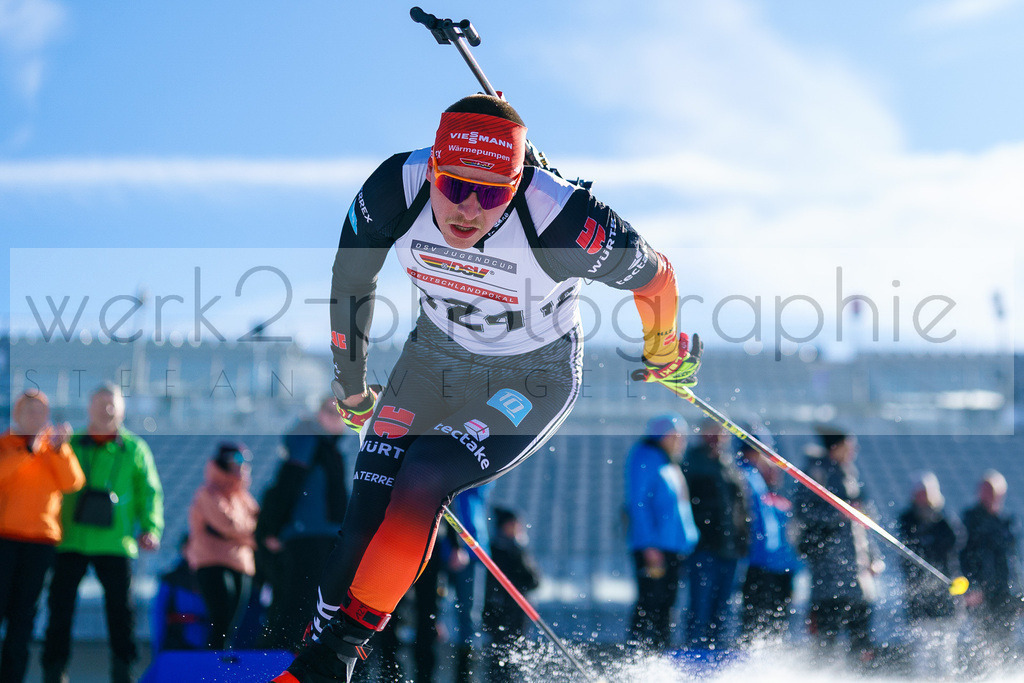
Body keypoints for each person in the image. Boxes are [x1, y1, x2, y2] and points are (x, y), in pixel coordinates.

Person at [273, 93, 702, 683]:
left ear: (518, 180)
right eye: (454, 187)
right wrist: (351, 386)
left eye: (493, 192)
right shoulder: (395, 189)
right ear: (434, 166)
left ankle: (336, 656)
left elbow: (657, 278)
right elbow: (351, 279)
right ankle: (315, 663)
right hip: (433, 361)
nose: (469, 209)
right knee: (363, 519)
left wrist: (662, 352)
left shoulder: (562, 217)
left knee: (425, 472)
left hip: (533, 374)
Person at [41, 383, 164, 683]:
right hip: (71, 539)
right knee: (59, 610)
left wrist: (151, 527)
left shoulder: (135, 448)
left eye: (112, 404)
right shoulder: (70, 442)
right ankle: (54, 672)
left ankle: (124, 674)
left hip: (115, 542)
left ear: (122, 409)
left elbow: (149, 492)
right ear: (89, 407)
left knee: (121, 614)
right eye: (100, 404)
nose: (106, 410)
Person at [0, 391, 84, 683]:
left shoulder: (55, 447)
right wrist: (29, 450)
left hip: (40, 541)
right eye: (30, 412)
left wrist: (60, 450)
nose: (37, 418)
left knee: (24, 615)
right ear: (17, 415)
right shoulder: (6, 444)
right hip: (5, 538)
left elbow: (73, 482)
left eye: (41, 413)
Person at [260, 397, 357, 650]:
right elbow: (288, 481)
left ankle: (300, 661)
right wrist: (272, 527)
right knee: (298, 603)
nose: (336, 417)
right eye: (329, 411)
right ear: (317, 414)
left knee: (316, 605)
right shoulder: (309, 439)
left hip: (324, 535)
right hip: (306, 536)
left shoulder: (330, 447)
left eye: (342, 413)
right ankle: (283, 664)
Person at [793, 427, 883, 667]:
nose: (854, 450)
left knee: (861, 642)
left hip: (858, 576)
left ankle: (859, 675)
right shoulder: (816, 473)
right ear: (836, 447)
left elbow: (862, 525)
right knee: (826, 641)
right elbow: (803, 512)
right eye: (849, 445)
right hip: (828, 576)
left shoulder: (850, 474)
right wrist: (838, 513)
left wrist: (874, 557)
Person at [623, 412, 699, 650]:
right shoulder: (646, 458)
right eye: (677, 436)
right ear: (663, 436)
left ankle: (660, 652)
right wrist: (648, 545)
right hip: (655, 548)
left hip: (671, 546)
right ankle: (640, 654)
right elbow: (638, 503)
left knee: (666, 605)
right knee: (651, 603)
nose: (682, 441)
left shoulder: (667, 462)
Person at [681, 418, 749, 650]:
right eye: (713, 433)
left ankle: (718, 657)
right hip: (703, 547)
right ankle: (695, 655)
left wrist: (743, 538)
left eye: (722, 434)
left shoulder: (728, 464)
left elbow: (740, 505)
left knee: (723, 609)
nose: (718, 438)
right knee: (700, 606)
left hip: (729, 548)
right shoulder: (691, 462)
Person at [186, 442, 260, 650]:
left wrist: (243, 534)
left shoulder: (243, 497)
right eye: (237, 460)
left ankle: (222, 664)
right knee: (219, 617)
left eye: (245, 461)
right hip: (211, 561)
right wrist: (248, 534)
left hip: (241, 564)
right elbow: (227, 524)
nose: (242, 466)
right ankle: (212, 666)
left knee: (232, 624)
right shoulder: (207, 493)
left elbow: (258, 528)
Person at [734, 423, 801, 646]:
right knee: (755, 622)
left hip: (769, 564)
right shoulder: (746, 474)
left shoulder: (756, 478)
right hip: (756, 563)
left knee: (772, 624)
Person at [896, 471, 960, 679]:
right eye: (919, 492)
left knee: (945, 653)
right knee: (922, 653)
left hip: (944, 599)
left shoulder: (943, 520)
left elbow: (954, 545)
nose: (923, 497)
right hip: (920, 601)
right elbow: (906, 555)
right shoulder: (907, 520)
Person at [959, 470, 1023, 672]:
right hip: (981, 596)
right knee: (980, 647)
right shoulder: (970, 521)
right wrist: (972, 586)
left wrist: (1020, 595)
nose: (990, 495)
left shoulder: (1006, 523)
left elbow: (1014, 563)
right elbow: (962, 556)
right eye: (986, 490)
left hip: (1005, 595)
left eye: (994, 491)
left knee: (1005, 645)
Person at [482, 507, 541, 683]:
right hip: (499, 613)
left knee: (515, 659)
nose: (520, 528)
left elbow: (534, 581)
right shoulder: (496, 551)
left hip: (517, 614)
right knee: (498, 662)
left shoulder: (518, 549)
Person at [150, 535, 210, 653]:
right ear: (184, 549)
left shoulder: (212, 580)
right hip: (176, 644)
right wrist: (158, 649)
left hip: (204, 645)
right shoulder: (171, 580)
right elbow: (158, 615)